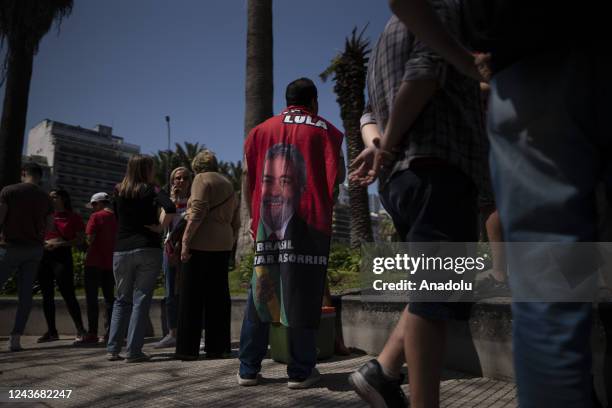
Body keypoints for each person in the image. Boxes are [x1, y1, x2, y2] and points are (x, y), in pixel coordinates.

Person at [387, 1, 606, 406]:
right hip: (524, 91)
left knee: (546, 291)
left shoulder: (397, 37)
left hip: (531, 77)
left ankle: (384, 370)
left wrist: (469, 65)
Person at [348, 7, 490, 407]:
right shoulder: (443, 9)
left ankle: (383, 370)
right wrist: (387, 145)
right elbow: (425, 72)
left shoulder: (384, 40)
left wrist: (378, 147)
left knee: (434, 288)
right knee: (435, 299)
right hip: (439, 167)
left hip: (404, 181)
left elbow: (367, 113)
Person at [238, 78, 344, 389]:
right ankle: (300, 371)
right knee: (303, 291)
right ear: (313, 101)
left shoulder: (260, 130)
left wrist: (253, 215)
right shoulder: (326, 130)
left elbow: (246, 174)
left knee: (260, 292)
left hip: (265, 227)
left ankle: (248, 369)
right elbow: (337, 176)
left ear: (287, 101)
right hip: (308, 224)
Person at [106, 154, 175, 363]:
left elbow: (116, 215)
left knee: (121, 300)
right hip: (147, 247)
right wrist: (160, 227)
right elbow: (170, 207)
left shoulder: (118, 190)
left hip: (121, 249)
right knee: (141, 298)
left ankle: (112, 349)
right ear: (147, 169)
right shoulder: (152, 189)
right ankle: (134, 351)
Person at [174, 150, 239, 360]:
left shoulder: (201, 179)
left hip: (201, 242)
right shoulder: (228, 183)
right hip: (223, 243)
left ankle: (187, 349)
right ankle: (218, 347)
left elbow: (198, 211)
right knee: (218, 297)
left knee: (190, 296)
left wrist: (185, 241)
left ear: (196, 167)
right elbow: (236, 221)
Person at [0, 162, 52, 351]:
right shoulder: (46, 198)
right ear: (40, 176)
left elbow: (1, 216)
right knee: (25, 295)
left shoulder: (9, 191)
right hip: (34, 249)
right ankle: (15, 338)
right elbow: (49, 227)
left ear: (23, 173)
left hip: (10, 246)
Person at [37, 188, 87, 344]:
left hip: (62, 257)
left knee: (68, 294)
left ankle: (80, 330)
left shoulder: (74, 217)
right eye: (49, 197)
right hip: (44, 256)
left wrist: (61, 244)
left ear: (63, 199)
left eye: (54, 196)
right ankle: (52, 332)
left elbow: (79, 240)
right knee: (47, 295)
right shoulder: (44, 217)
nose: (51, 199)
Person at [154, 167, 192, 349]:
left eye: (185, 178)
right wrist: (172, 201)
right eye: (177, 178)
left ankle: (192, 333)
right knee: (170, 292)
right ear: (172, 181)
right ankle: (172, 333)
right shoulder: (168, 202)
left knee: (188, 292)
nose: (181, 181)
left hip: (187, 249)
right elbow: (162, 224)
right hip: (170, 250)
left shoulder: (193, 200)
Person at [79, 192, 117, 345]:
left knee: (92, 299)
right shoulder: (118, 217)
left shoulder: (96, 217)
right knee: (110, 299)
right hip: (111, 263)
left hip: (94, 263)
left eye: (93, 205)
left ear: (99, 203)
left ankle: (92, 333)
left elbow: (90, 238)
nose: (92, 208)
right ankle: (109, 333)